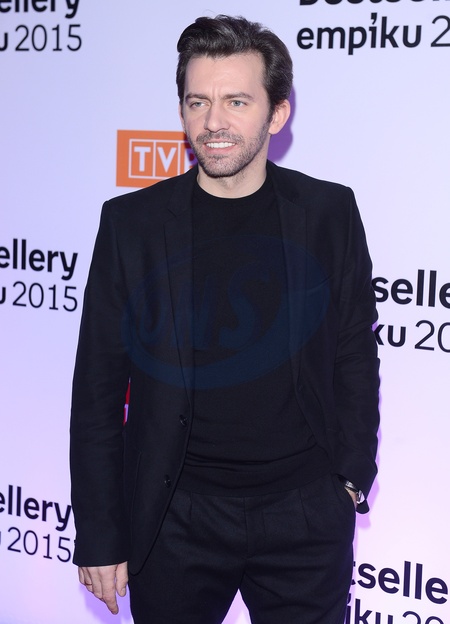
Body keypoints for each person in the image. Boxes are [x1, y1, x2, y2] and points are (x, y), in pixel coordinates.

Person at [70, 14, 380, 624]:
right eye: (198, 102)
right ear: (182, 111)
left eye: (237, 101)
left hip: (305, 517)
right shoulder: (131, 225)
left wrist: (350, 478)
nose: (213, 122)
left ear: (277, 114)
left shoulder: (329, 212)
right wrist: (101, 533)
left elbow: (354, 352)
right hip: (174, 520)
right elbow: (97, 392)